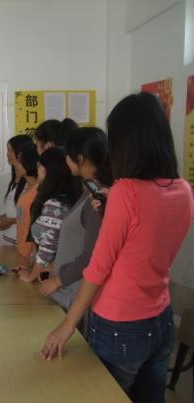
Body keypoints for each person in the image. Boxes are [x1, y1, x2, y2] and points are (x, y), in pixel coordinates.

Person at [40, 92, 194, 403]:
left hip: (120, 324)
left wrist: (67, 325)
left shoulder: (126, 192)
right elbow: (147, 240)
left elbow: (98, 266)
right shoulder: (184, 190)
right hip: (161, 318)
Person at [38, 127, 112, 313]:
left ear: (80, 159)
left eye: (68, 155)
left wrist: (58, 280)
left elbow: (91, 255)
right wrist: (53, 268)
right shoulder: (88, 191)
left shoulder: (98, 198)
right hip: (67, 289)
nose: (66, 160)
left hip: (77, 293)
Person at [15, 147, 80, 282]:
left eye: (39, 165)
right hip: (51, 274)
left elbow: (47, 250)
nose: (37, 169)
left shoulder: (54, 205)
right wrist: (31, 269)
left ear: (45, 170)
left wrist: (30, 276)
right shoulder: (67, 197)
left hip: (52, 279)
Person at [0, 135, 33, 245]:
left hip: (20, 242)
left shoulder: (30, 183)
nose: (7, 154)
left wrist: (10, 221)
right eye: (7, 150)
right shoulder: (14, 180)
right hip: (8, 240)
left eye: (11, 150)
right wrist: (4, 217)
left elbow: (32, 215)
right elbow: (18, 210)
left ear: (21, 154)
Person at [12, 141, 39, 263]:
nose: (15, 164)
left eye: (19, 161)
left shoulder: (38, 191)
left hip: (30, 256)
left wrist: (33, 256)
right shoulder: (25, 187)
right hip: (21, 251)